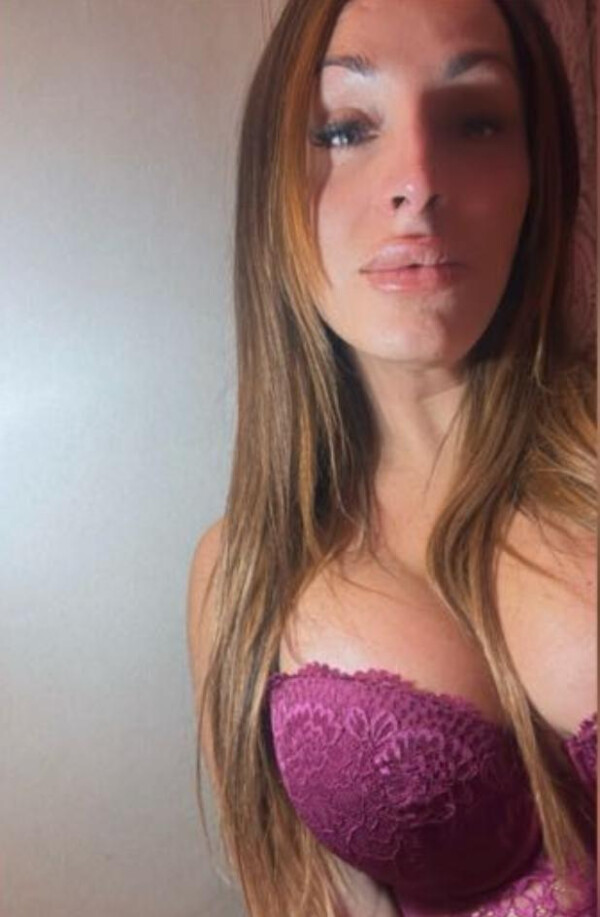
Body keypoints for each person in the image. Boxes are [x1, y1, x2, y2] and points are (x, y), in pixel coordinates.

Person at [187, 0, 597, 914]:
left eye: (476, 120)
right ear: (273, 194)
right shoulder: (243, 577)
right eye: (345, 128)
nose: (417, 180)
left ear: (539, 172)